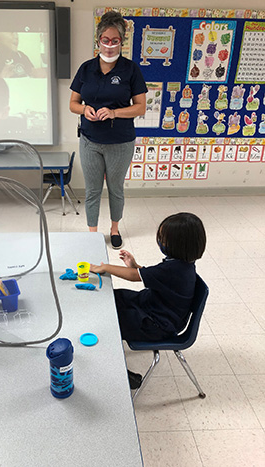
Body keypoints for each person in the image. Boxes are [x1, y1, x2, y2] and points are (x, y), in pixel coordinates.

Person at [90, 212, 206, 388]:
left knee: (108, 322)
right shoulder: (182, 264)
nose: (160, 242)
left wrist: (105, 267)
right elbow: (154, 276)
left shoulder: (175, 268)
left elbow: (134, 277)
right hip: (152, 307)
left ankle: (119, 372)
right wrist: (135, 266)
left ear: (178, 245)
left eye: (164, 240)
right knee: (114, 298)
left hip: (156, 324)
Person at [69, 11, 147, 249]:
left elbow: (140, 107)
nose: (110, 46)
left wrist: (113, 113)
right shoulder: (86, 68)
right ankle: (93, 233)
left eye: (115, 41)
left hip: (120, 142)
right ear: (98, 40)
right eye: (105, 40)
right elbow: (73, 104)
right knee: (92, 190)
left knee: (115, 188)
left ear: (121, 42)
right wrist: (85, 111)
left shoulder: (131, 70)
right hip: (90, 140)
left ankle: (114, 229)